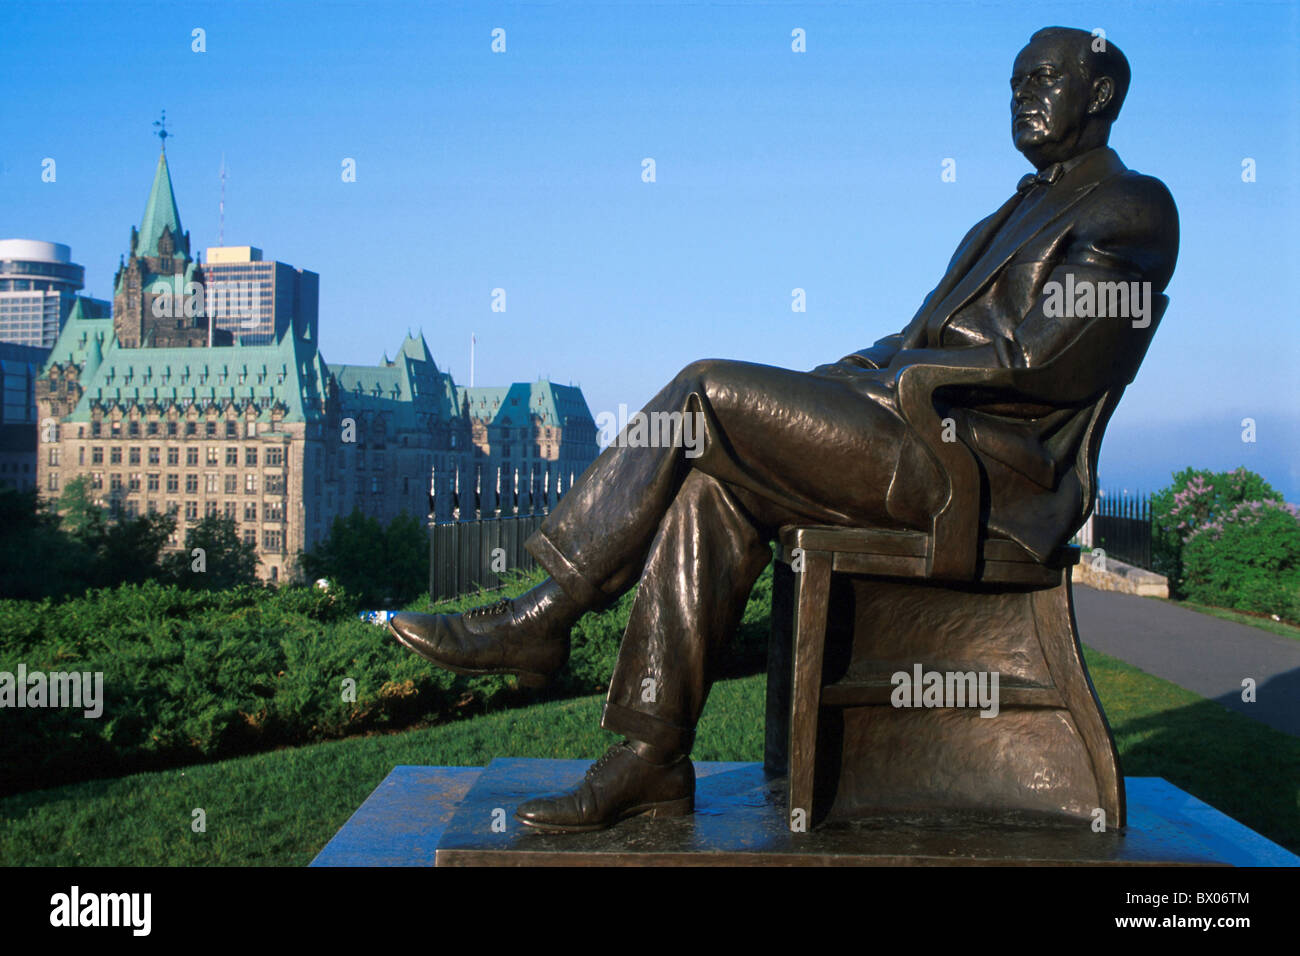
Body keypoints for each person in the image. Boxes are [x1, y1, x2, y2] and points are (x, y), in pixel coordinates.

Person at [389, 26, 1179, 833]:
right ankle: (649, 758)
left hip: (979, 467)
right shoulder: (1008, 213)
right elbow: (923, 339)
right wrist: (842, 377)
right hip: (917, 426)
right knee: (711, 486)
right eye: (1014, 84)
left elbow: (1045, 358)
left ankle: (544, 617)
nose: (1023, 97)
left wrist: (888, 380)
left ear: (1102, 93)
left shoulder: (1132, 207)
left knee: (703, 392)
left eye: (1043, 79)